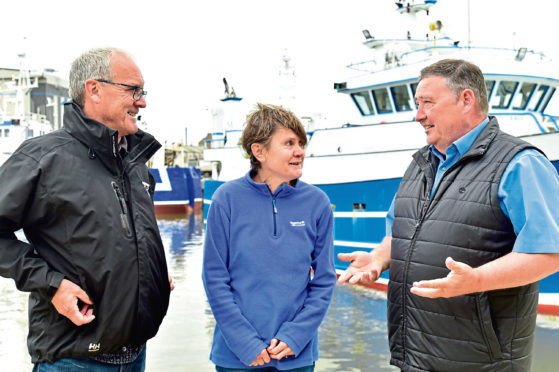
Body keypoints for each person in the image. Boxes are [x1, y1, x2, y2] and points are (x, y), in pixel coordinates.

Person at [338, 59, 559, 371]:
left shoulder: (520, 163)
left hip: (479, 363)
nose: (418, 115)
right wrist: (378, 258)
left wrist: (476, 280)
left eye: (428, 103)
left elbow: (549, 254)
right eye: (417, 104)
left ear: (466, 99)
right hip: (413, 357)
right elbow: (398, 233)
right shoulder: (419, 164)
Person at [0, 47, 171, 371]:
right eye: (133, 90)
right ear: (94, 89)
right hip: (73, 359)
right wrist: (53, 284)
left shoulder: (134, 163)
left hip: (136, 356)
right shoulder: (43, 158)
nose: (142, 101)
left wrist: (147, 272)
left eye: (143, 91)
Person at [203, 103, 336, 371]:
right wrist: (245, 342)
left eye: (301, 143)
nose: (300, 151)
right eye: (289, 143)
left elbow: (323, 280)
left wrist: (296, 335)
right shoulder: (226, 199)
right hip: (237, 356)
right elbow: (215, 278)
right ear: (259, 151)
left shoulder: (318, 203)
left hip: (295, 356)